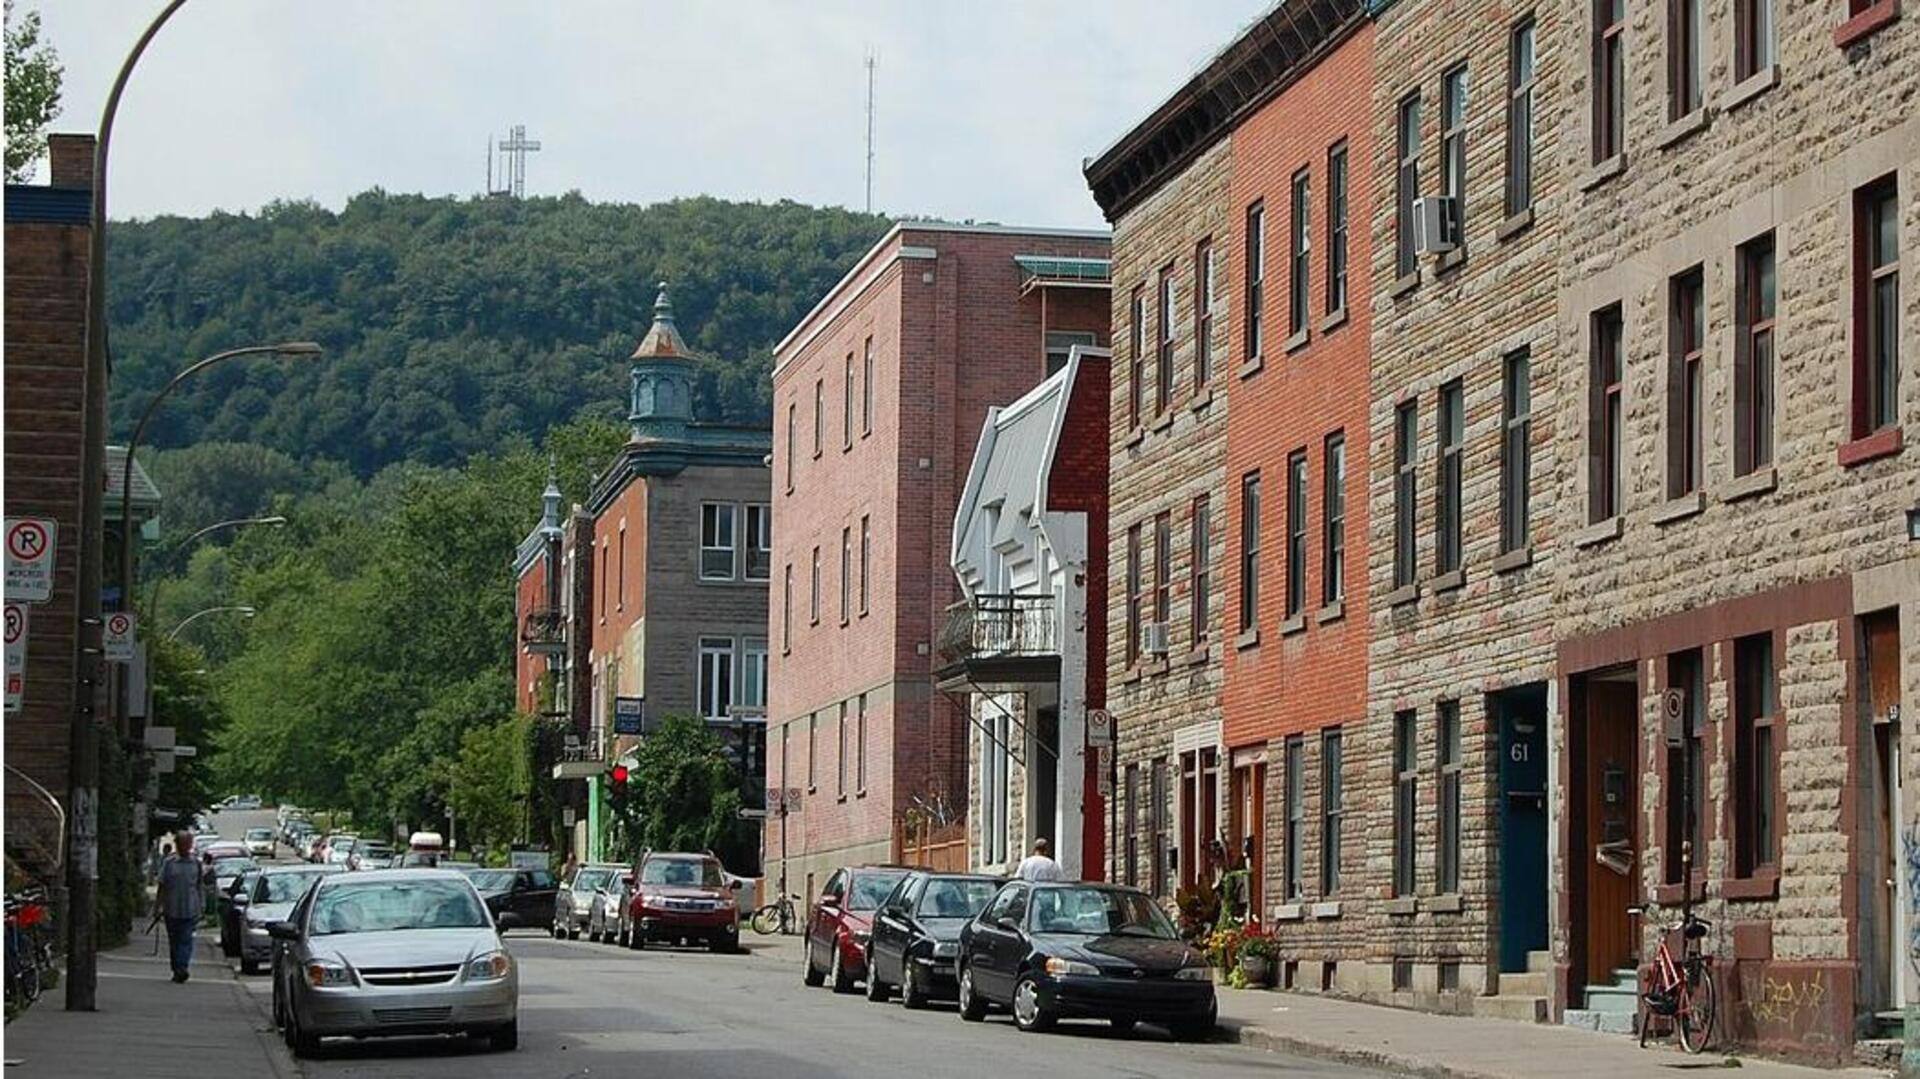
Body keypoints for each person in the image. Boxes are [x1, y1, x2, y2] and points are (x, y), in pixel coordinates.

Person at [154, 830, 211, 983]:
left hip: (190, 909)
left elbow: (200, 886)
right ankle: (176, 968)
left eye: (188, 844)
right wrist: (158, 907)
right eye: (182, 844)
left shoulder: (196, 864)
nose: (185, 847)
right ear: (177, 845)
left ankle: (182, 968)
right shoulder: (169, 863)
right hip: (171, 909)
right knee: (174, 942)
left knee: (186, 940)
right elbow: (162, 885)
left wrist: (202, 905)